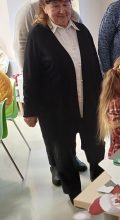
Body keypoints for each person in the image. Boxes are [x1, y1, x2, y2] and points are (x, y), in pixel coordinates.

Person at [23, 0, 105, 203]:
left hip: (88, 103)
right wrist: (30, 110)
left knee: (96, 147)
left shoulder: (82, 30)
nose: (62, 10)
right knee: (64, 154)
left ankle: (100, 186)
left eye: (66, 4)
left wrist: (104, 99)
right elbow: (30, 75)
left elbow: (95, 67)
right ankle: (75, 195)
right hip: (55, 109)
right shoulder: (38, 35)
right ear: (44, 8)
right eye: (55, 6)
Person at [13, 0, 87, 187]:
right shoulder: (28, 11)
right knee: (51, 131)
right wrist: (35, 72)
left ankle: (71, 158)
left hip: (66, 80)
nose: (61, 9)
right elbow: (21, 44)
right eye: (55, 6)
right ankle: (54, 165)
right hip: (42, 78)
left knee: (68, 126)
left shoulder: (68, 10)